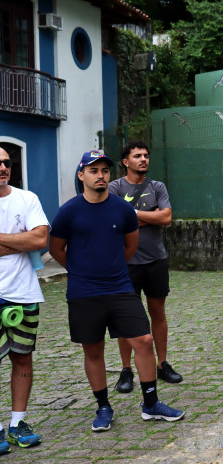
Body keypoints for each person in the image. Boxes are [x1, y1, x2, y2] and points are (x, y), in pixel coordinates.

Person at [49, 151, 184, 432]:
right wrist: (79, 270)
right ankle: (103, 407)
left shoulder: (122, 209)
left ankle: (150, 403)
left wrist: (111, 269)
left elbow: (130, 247)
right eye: (94, 170)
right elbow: (56, 249)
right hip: (84, 291)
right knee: (93, 349)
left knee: (144, 340)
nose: (100, 175)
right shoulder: (69, 211)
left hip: (119, 286)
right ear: (82, 175)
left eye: (104, 171)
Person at [108, 140, 182, 394]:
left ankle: (162, 364)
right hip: (125, 263)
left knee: (157, 312)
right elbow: (115, 223)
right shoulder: (114, 187)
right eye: (137, 156)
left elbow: (167, 217)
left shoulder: (157, 186)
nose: (143, 159)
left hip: (155, 260)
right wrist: (150, 216)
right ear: (126, 162)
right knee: (125, 318)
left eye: (146, 155)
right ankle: (126, 370)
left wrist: (133, 215)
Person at [0, 149, 48, 450]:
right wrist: (19, 240)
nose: (3, 167)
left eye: (7, 162)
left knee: (22, 357)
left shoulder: (26, 199)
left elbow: (40, 240)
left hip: (22, 294)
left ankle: (18, 421)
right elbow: (28, 240)